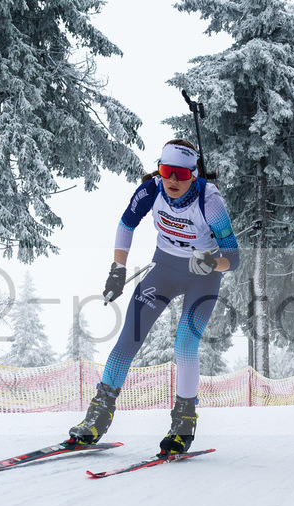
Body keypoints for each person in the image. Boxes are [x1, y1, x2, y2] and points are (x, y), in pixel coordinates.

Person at [69, 139, 240, 455]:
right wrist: (118, 269)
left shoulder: (210, 201)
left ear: (193, 174)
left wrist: (211, 263)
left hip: (202, 275)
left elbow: (234, 258)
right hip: (164, 270)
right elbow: (126, 224)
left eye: (181, 174)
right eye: (166, 170)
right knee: (128, 339)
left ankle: (183, 424)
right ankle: (97, 418)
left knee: (184, 345)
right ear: (159, 169)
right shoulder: (151, 190)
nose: (172, 180)